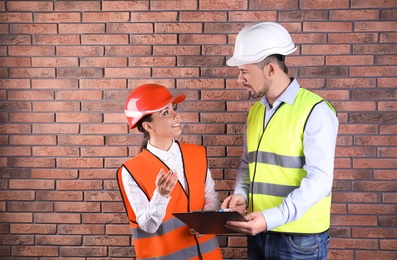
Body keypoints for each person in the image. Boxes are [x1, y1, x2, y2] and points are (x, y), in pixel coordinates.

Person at [221, 21, 339, 260]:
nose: (239, 80)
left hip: (299, 240)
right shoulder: (256, 112)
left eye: (244, 71)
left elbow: (320, 180)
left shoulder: (316, 110)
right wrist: (241, 193)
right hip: (258, 232)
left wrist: (270, 218)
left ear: (271, 70)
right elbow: (248, 164)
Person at [116, 84, 223, 260]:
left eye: (173, 109)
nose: (176, 116)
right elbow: (147, 226)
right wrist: (161, 196)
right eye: (166, 113)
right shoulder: (130, 171)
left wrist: (206, 219)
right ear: (148, 127)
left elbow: (211, 197)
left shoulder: (197, 154)